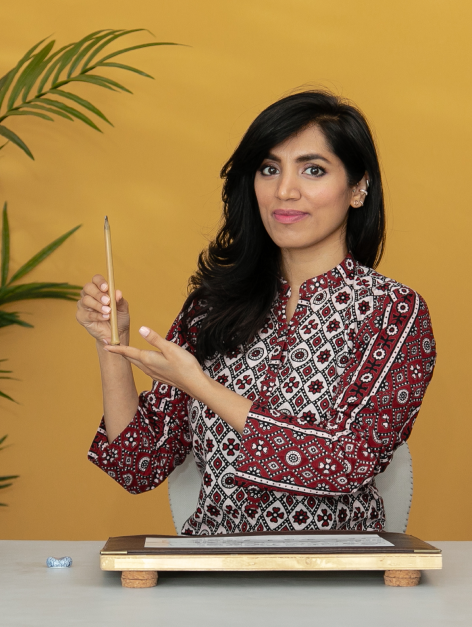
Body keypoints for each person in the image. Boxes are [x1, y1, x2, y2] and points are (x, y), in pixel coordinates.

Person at [76, 90, 436, 535]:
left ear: (358, 187)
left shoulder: (392, 312)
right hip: (214, 571)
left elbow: (347, 463)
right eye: (269, 169)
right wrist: (111, 343)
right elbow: (137, 466)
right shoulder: (214, 307)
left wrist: (202, 386)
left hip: (339, 576)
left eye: (313, 170)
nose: (285, 190)